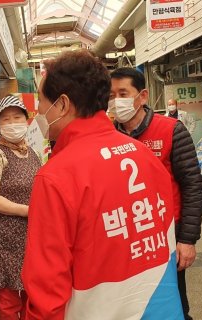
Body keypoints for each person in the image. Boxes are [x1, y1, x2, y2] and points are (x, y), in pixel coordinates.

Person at [22, 50, 183, 320]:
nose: (37, 111)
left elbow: (47, 285)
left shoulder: (56, 177)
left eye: (40, 101)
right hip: (160, 307)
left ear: (62, 104)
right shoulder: (144, 154)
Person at [110, 67, 202, 320]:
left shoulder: (171, 130)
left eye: (122, 93)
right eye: (111, 94)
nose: (116, 101)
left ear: (142, 96)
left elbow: (192, 186)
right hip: (128, 237)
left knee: (173, 302)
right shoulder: (107, 136)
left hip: (168, 235)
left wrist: (188, 239)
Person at [0, 95, 41, 320]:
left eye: (17, 117)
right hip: (3, 235)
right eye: (6, 120)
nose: (12, 123)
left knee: (30, 292)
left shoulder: (31, 151)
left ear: (26, 120)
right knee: (8, 299)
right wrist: (29, 211)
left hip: (28, 233)